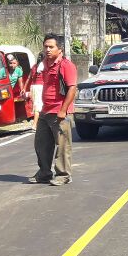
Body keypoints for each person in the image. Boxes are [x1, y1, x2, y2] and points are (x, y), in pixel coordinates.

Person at [28, 35, 77, 186]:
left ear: (60, 49)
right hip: (45, 111)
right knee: (41, 144)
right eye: (45, 47)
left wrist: (63, 110)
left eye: (51, 47)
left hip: (60, 112)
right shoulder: (45, 65)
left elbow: (72, 88)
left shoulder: (66, 65)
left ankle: (63, 175)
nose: (47, 50)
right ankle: (44, 173)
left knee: (62, 146)